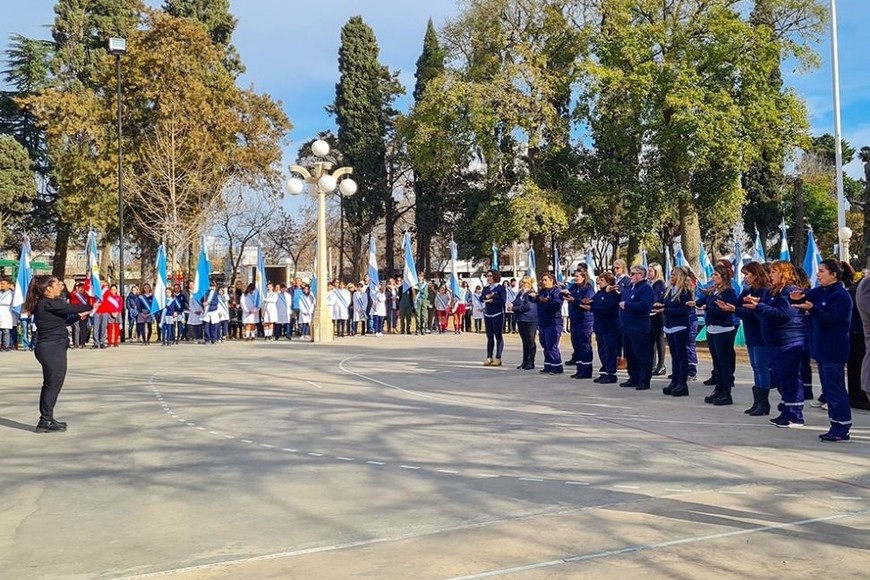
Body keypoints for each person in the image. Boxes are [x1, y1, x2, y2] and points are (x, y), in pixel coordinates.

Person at [790, 259, 853, 441]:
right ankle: (835, 425)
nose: (818, 274)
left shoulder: (840, 295)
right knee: (828, 388)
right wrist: (793, 297)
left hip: (834, 349)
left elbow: (832, 319)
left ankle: (842, 428)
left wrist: (814, 309)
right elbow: (803, 296)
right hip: (821, 349)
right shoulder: (820, 292)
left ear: (834, 274)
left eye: (822, 271)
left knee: (835, 389)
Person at [742, 260, 807, 428]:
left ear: (783, 273)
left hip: (788, 341)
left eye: (773, 272)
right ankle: (785, 410)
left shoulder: (791, 291)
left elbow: (783, 314)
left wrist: (759, 306)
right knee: (779, 377)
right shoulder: (774, 291)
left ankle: (795, 415)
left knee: (790, 377)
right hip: (775, 341)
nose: (770, 275)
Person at [24, 275, 92, 433]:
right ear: (48, 289)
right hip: (51, 349)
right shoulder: (48, 303)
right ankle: (45, 420)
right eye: (58, 284)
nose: (61, 287)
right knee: (52, 384)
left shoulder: (47, 304)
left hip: (52, 347)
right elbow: (71, 308)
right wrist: (92, 304)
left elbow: (60, 322)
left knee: (51, 384)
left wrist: (77, 316)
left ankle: (47, 418)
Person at [725, 262, 772, 415]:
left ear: (756, 275)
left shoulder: (765, 291)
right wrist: (731, 306)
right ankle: (757, 400)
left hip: (761, 334)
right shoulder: (750, 290)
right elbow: (738, 304)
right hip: (751, 333)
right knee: (755, 366)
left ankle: (763, 402)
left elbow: (756, 313)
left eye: (747, 274)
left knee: (761, 366)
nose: (745, 277)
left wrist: (736, 310)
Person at [697, 264, 738, 406]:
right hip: (712, 328)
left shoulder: (728, 292)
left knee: (724, 362)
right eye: (713, 275)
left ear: (723, 277)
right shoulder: (714, 291)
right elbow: (701, 301)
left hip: (723, 329)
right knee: (717, 362)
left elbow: (726, 311)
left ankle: (726, 392)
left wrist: (708, 308)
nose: (713, 277)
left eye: (716, 275)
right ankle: (718, 389)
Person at [656, 267, 694, 397]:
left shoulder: (684, 292)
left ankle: (682, 384)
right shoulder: (668, 291)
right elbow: (663, 302)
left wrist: (665, 311)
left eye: (674, 275)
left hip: (680, 326)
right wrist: (658, 305)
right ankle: (675, 380)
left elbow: (683, 311)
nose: (671, 277)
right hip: (669, 326)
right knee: (674, 356)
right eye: (671, 274)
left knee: (681, 355)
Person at [619, 265, 654, 390]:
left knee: (641, 354)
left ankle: (644, 379)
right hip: (626, 326)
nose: (631, 276)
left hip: (639, 327)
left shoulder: (645, 289)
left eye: (634, 273)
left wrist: (627, 305)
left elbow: (645, 305)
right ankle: (633, 377)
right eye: (631, 273)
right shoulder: (629, 288)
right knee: (630, 353)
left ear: (641, 275)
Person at [530, 273, 564, 375]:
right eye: (542, 280)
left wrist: (547, 301)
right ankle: (548, 365)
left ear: (551, 280)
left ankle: (557, 366)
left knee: (552, 345)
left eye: (546, 280)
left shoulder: (557, 291)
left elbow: (556, 305)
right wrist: (534, 297)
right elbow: (535, 299)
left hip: (553, 322)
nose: (543, 282)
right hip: (543, 322)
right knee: (544, 344)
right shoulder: (543, 291)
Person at [590, 272, 621, 384]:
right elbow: (593, 303)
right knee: (601, 350)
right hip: (599, 326)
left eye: (602, 280)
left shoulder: (613, 294)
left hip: (610, 326)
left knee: (610, 351)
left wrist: (592, 308)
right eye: (599, 280)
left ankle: (611, 374)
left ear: (609, 282)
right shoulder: (599, 293)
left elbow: (608, 308)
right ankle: (604, 371)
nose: (599, 282)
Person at [565, 268, 595, 379]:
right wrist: (564, 294)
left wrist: (575, 300)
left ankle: (586, 370)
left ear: (583, 277)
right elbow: (566, 295)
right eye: (574, 275)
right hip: (574, 319)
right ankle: (579, 368)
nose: (575, 278)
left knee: (584, 344)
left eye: (577, 276)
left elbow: (587, 301)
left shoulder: (587, 288)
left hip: (585, 319)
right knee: (576, 344)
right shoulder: (573, 287)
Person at [482, 269, 507, 366]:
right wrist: (485, 298)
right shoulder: (486, 288)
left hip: (497, 314)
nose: (488, 278)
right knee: (489, 337)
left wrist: (493, 300)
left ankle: (498, 357)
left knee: (498, 336)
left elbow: (503, 301)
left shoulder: (500, 288)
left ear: (495, 277)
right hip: (488, 314)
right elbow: (482, 298)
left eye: (490, 276)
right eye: (487, 276)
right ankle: (489, 357)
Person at [512, 276, 537, 369]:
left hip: (530, 319)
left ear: (529, 284)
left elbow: (528, 306)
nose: (523, 284)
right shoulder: (521, 293)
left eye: (525, 283)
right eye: (522, 282)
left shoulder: (531, 293)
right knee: (524, 341)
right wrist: (511, 304)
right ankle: (525, 361)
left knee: (530, 341)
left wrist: (514, 308)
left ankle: (531, 361)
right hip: (521, 319)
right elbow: (515, 302)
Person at [648, 263, 667, 376]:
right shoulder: (649, 283)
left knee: (659, 339)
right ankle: (652, 364)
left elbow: (656, 298)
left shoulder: (659, 284)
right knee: (651, 341)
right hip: (649, 314)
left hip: (657, 315)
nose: (649, 273)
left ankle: (661, 364)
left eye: (651, 271)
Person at [69, 282, 92, 348]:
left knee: (83, 329)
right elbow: (73, 304)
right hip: (77, 313)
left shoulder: (87, 295)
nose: (81, 289)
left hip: (85, 314)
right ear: (77, 288)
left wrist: (85, 313)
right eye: (80, 288)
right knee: (77, 329)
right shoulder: (74, 295)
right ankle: (76, 343)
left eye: (83, 288)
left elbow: (89, 305)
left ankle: (83, 343)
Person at [0, 277, 13, 351]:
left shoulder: (11, 293)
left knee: (6, 330)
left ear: (8, 285)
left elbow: (8, 302)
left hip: (6, 313)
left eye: (3, 284)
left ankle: (6, 345)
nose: (1, 285)